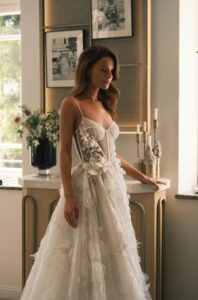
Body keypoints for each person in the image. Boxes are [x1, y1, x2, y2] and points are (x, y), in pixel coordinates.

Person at [20, 45, 165, 300]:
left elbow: (112, 156)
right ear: (87, 69)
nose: (110, 76)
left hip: (112, 188)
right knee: (83, 251)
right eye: (104, 70)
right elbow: (64, 152)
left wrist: (143, 177)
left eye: (112, 71)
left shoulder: (105, 104)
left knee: (114, 251)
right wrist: (70, 196)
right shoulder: (71, 104)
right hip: (86, 188)